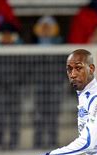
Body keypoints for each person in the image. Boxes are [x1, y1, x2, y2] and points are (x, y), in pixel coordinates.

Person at [0, 22, 26, 149]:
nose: (7, 38)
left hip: (15, 90)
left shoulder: (20, 53)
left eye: (9, 35)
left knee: (15, 118)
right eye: (4, 35)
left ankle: (14, 143)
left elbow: (25, 71)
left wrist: (20, 87)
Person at [32, 15, 65, 148]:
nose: (46, 31)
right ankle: (38, 142)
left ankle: (52, 142)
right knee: (39, 115)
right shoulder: (34, 47)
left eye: (48, 28)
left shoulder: (61, 46)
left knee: (53, 115)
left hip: (55, 85)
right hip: (40, 86)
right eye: (43, 28)